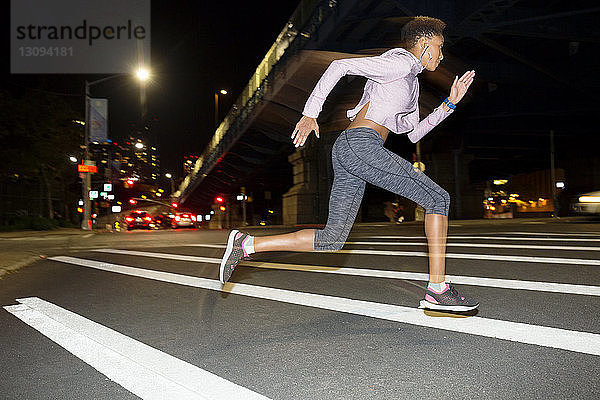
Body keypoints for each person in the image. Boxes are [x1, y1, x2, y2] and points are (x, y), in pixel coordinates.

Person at [219, 16, 478, 312]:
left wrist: (450, 103)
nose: (442, 55)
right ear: (423, 44)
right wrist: (310, 112)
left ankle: (247, 244)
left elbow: (414, 132)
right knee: (438, 198)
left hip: (349, 149)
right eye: (439, 46)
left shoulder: (410, 83)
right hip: (360, 146)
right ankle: (438, 289)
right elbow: (340, 66)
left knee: (332, 239)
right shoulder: (401, 62)